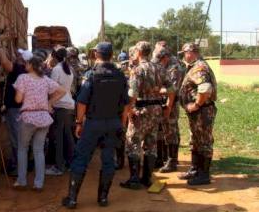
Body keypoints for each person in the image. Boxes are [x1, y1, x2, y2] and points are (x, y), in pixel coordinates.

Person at [62, 42, 129, 209]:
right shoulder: (120, 75)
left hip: (94, 123)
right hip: (113, 122)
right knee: (108, 160)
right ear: (112, 55)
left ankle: (72, 199)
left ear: (96, 55)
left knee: (81, 158)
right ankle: (103, 199)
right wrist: (122, 123)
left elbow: (82, 102)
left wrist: (79, 123)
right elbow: (127, 103)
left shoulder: (91, 75)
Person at [120, 41, 175, 190]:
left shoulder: (138, 70)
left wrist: (129, 110)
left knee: (133, 142)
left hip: (141, 110)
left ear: (138, 52)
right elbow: (171, 89)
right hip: (156, 110)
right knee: (151, 144)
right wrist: (168, 108)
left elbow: (133, 94)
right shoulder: (160, 68)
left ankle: (134, 179)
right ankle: (147, 178)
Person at [13, 56, 66, 191]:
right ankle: (39, 184)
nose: (25, 64)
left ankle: (22, 181)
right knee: (38, 150)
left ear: (31, 65)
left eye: (27, 63)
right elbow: (62, 91)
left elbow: (18, 100)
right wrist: (49, 103)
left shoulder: (23, 78)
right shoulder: (45, 80)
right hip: (43, 117)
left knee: (23, 149)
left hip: (28, 117)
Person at [178, 43, 217, 185]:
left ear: (191, 52)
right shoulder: (195, 66)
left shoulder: (199, 67)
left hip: (203, 110)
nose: (183, 55)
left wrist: (197, 104)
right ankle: (195, 169)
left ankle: (204, 175)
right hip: (198, 112)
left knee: (204, 142)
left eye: (185, 53)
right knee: (195, 141)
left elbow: (205, 88)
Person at [0, 36, 31, 175]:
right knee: (17, 138)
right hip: (18, 108)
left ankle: (18, 168)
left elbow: (5, 63)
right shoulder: (24, 69)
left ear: (23, 59)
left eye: (19, 54)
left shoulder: (19, 69)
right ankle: (19, 165)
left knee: (16, 139)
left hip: (15, 109)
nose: (16, 54)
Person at [152, 44, 185, 173]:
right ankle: (161, 158)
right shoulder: (163, 65)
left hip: (171, 104)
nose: (158, 64)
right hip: (163, 102)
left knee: (171, 131)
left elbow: (173, 90)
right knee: (162, 131)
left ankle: (172, 161)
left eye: (159, 61)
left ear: (165, 57)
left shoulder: (174, 68)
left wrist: (156, 90)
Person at [45, 47, 75, 176]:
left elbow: (52, 89)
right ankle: (71, 163)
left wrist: (49, 103)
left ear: (54, 56)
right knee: (67, 136)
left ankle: (59, 167)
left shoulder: (56, 70)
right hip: (68, 105)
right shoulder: (69, 69)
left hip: (60, 106)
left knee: (58, 137)